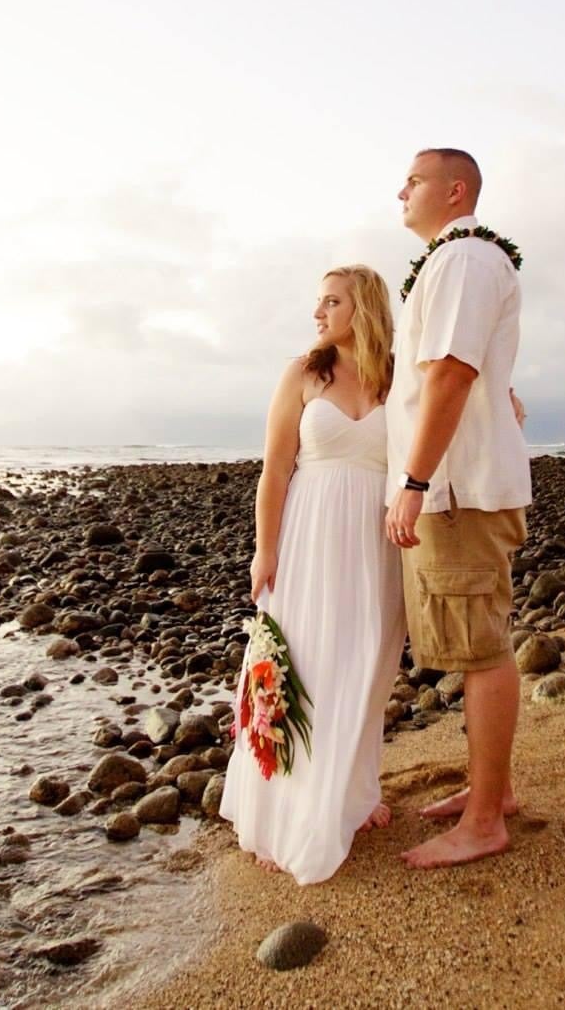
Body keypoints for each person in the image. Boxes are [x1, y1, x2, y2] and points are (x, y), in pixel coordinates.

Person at [218, 264, 407, 884]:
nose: (319, 313)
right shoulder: (302, 373)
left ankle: (352, 794)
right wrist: (262, 551)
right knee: (300, 666)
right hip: (308, 537)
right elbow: (275, 471)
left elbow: (452, 407)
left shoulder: (396, 375)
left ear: (365, 308)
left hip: (375, 545)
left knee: (364, 666)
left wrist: (505, 401)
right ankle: (283, 812)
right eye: (318, 302)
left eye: (331, 301)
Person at [385, 147, 532, 870]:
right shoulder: (457, 261)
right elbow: (475, 376)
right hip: (458, 481)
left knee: (481, 647)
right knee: (475, 641)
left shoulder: (465, 257)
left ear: (454, 189)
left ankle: (484, 819)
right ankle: (491, 792)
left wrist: (415, 480)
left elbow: (449, 371)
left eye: (412, 179)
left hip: (457, 488)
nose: (400, 189)